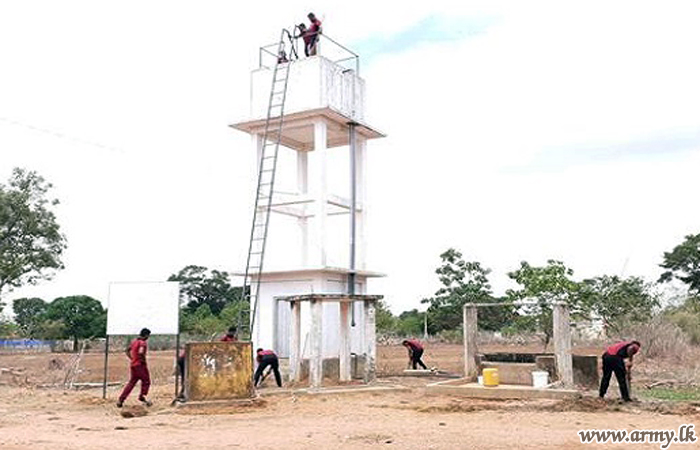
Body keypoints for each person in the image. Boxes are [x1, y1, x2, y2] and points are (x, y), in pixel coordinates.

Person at [117, 328, 153, 407]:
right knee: (146, 381)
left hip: (133, 365)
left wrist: (132, 358)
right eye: (148, 336)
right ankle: (142, 396)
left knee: (132, 382)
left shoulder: (134, 342)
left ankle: (121, 399)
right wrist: (143, 361)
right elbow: (140, 353)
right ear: (146, 335)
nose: (148, 337)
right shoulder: (142, 343)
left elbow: (127, 350)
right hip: (140, 365)